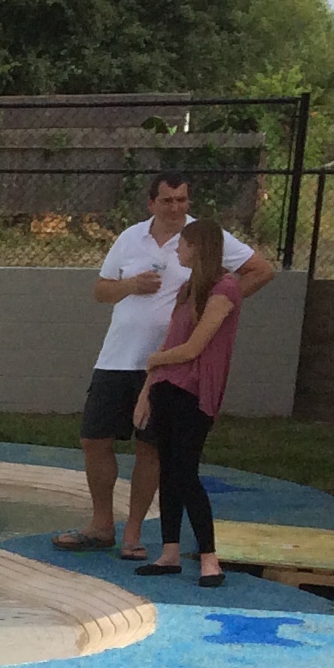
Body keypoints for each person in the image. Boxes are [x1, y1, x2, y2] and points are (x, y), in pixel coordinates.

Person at [55, 170, 272, 554]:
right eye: (168, 200)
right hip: (119, 355)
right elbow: (101, 290)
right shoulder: (130, 237)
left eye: (182, 200)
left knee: (150, 446)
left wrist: (214, 311)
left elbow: (261, 270)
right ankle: (101, 524)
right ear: (151, 203)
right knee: (93, 438)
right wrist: (130, 286)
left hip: (169, 359)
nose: (176, 208)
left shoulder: (202, 238)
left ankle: (133, 534)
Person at [132, 213, 243, 586]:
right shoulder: (187, 290)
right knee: (169, 471)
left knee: (186, 472)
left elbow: (194, 347)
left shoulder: (224, 290)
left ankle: (209, 558)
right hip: (167, 387)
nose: (177, 248)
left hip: (194, 391)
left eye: (182, 243)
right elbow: (169, 344)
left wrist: (153, 361)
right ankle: (170, 552)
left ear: (197, 247)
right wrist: (148, 388)